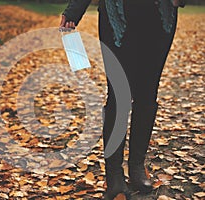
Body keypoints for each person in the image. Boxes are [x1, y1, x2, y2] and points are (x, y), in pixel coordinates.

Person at [60, 0, 185, 199]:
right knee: (119, 96)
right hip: (117, 13)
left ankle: (136, 166)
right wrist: (74, 11)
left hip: (159, 15)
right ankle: (114, 175)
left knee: (147, 94)